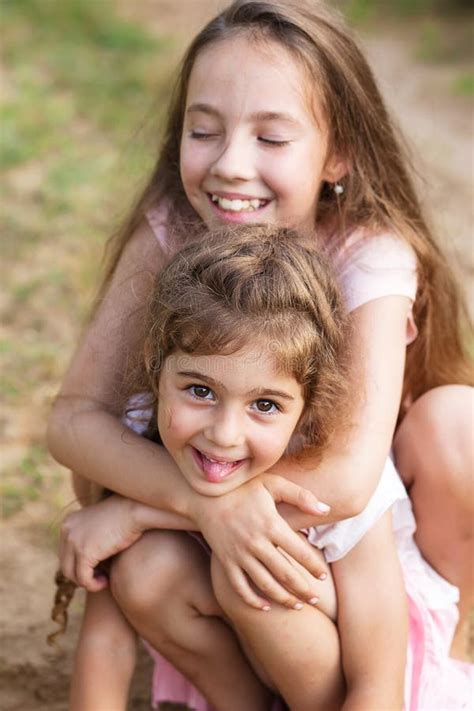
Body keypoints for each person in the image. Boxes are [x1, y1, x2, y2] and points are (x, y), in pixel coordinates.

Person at [48, 0, 473, 705]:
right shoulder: (171, 229)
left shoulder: (370, 253)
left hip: (346, 551)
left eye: (272, 139)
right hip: (234, 554)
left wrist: (148, 508)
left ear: (339, 152)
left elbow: (346, 484)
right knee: (142, 551)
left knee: (459, 423)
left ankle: (437, 656)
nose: (230, 167)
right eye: (203, 130)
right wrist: (205, 507)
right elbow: (74, 421)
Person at [65, 225, 411, 711]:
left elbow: (379, 686)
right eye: (200, 391)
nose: (224, 435)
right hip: (243, 677)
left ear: (308, 408)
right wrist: (128, 514)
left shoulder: (339, 485)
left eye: (266, 405)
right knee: (144, 568)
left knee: (249, 569)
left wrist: (133, 514)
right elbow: (106, 643)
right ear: (156, 369)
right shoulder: (141, 439)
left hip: (340, 691)